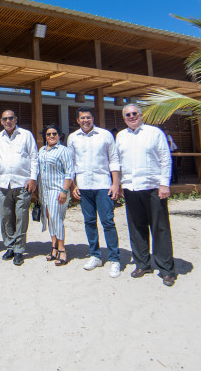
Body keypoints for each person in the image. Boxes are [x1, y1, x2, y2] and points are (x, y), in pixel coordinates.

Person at [115, 104, 176, 287]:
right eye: (128, 115)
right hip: (131, 188)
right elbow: (118, 161)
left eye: (134, 113)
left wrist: (164, 184)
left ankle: (166, 269)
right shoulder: (121, 136)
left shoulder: (154, 133)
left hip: (153, 188)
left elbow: (165, 158)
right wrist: (119, 184)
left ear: (141, 115)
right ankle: (142, 264)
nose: (132, 116)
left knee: (160, 228)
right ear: (124, 118)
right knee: (136, 228)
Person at [67, 107, 122, 278]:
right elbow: (70, 164)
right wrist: (73, 185)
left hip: (103, 185)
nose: (86, 120)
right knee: (89, 222)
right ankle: (95, 255)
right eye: (82, 118)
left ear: (93, 118)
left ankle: (114, 259)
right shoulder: (73, 138)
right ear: (78, 120)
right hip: (83, 186)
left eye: (88, 117)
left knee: (108, 222)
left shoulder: (105, 135)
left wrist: (115, 183)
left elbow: (114, 159)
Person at [0, 110, 38, 266]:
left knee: (21, 217)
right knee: (6, 216)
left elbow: (34, 157)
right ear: (1, 121)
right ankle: (10, 246)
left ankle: (19, 249)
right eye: (5, 119)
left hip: (23, 183)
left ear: (16, 119)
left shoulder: (26, 135)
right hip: (5, 183)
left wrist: (33, 178)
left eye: (11, 118)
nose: (8, 121)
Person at [37, 124, 75, 266]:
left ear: (59, 136)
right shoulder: (42, 150)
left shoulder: (63, 150)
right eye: (48, 134)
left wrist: (64, 190)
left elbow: (69, 172)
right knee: (49, 217)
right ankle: (54, 246)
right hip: (44, 190)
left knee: (56, 218)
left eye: (54, 133)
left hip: (58, 189)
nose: (51, 136)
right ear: (45, 137)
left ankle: (62, 249)